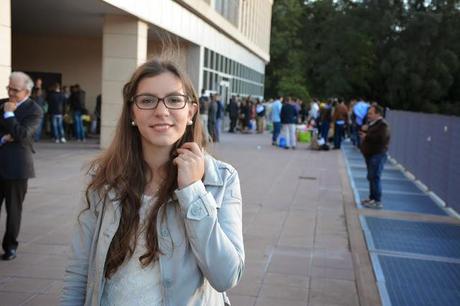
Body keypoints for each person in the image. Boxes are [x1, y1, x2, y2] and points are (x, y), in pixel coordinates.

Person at [60, 58, 244, 305]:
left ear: (191, 111)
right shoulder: (104, 178)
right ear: (132, 112)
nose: (161, 111)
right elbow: (79, 274)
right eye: (147, 100)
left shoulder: (220, 178)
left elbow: (226, 276)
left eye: (174, 100)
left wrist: (193, 191)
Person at [0, 72, 43, 260]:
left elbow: (23, 134)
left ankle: (10, 246)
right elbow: (16, 134)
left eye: (15, 90)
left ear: (26, 91)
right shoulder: (0, 103)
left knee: (13, 210)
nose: (10, 92)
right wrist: (4, 137)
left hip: (17, 168)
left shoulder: (35, 110)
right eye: (8, 88)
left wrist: (9, 114)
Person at [360, 104, 391, 209]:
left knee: (375, 177)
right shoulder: (373, 123)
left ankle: (377, 201)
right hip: (371, 154)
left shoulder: (383, 125)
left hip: (377, 154)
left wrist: (367, 136)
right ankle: (372, 198)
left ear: (378, 114)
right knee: (371, 177)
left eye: (370, 113)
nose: (368, 115)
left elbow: (382, 139)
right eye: (368, 113)